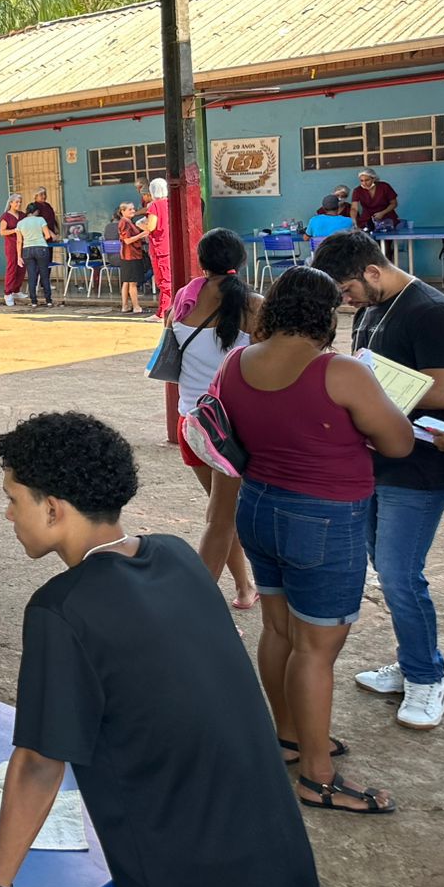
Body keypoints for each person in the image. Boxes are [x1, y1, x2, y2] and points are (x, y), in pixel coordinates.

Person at [0, 412, 327, 887]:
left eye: (14, 500)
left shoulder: (62, 608)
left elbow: (39, 762)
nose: (8, 515)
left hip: (185, 866)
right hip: (272, 842)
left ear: (53, 509)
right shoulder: (177, 555)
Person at [217, 266, 412, 812]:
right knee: (317, 649)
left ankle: (289, 737)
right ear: (326, 314)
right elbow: (397, 443)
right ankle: (319, 777)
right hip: (324, 518)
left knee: (279, 630)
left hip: (258, 507)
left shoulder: (238, 363)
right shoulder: (339, 371)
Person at [313, 228, 444, 729]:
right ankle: (412, 661)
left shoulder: (433, 312)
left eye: (348, 290)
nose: (346, 301)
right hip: (376, 464)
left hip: (419, 469)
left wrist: (369, 395)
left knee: (402, 576)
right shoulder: (371, 310)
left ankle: (428, 678)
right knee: (390, 573)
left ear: (372, 272)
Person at [168, 229, 263, 610]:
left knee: (224, 513)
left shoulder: (184, 298)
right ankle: (196, 608)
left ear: (202, 263)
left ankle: (244, 588)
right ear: (240, 262)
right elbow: (265, 365)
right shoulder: (254, 306)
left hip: (191, 422)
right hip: (229, 429)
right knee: (221, 519)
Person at [13, 203, 56, 308]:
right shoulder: (40, 220)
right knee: (44, 274)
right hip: (41, 248)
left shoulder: (20, 223)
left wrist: (19, 256)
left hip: (27, 250)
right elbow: (47, 235)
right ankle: (48, 300)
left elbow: (19, 241)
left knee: (32, 276)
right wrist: (40, 240)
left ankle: (33, 301)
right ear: (36, 211)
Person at [144, 177, 172, 317]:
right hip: (170, 245)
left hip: (160, 247)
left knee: (164, 281)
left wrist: (141, 224)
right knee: (168, 279)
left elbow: (151, 226)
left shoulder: (155, 206)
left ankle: (163, 312)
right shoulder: (171, 203)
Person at [115, 201, 146, 314]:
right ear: (123, 211)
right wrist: (142, 234)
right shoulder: (124, 223)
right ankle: (136, 306)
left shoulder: (128, 222)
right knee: (132, 282)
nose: (133, 211)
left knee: (127, 282)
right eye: (130, 209)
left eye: (133, 209)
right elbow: (127, 240)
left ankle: (125, 306)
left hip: (128, 255)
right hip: (130, 255)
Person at [0, 192, 24, 307]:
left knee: (22, 268)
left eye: (20, 202)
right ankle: (8, 293)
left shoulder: (22, 215)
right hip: (11, 245)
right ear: (11, 203)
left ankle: (16, 290)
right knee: (12, 267)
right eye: (17, 202)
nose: (19, 204)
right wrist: (14, 230)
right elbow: (2, 232)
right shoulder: (5, 216)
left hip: (22, 244)